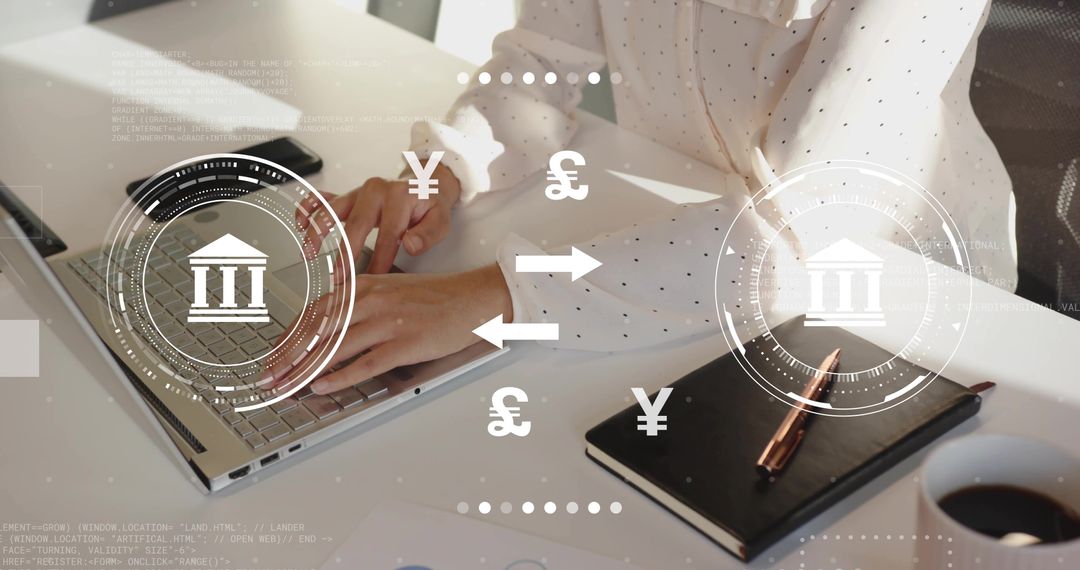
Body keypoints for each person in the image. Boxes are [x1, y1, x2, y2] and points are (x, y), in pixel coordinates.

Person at [271, 0, 1015, 395]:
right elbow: (539, 61)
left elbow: (800, 224)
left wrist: (496, 296)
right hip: (677, 242)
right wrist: (442, 170)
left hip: (903, 293)